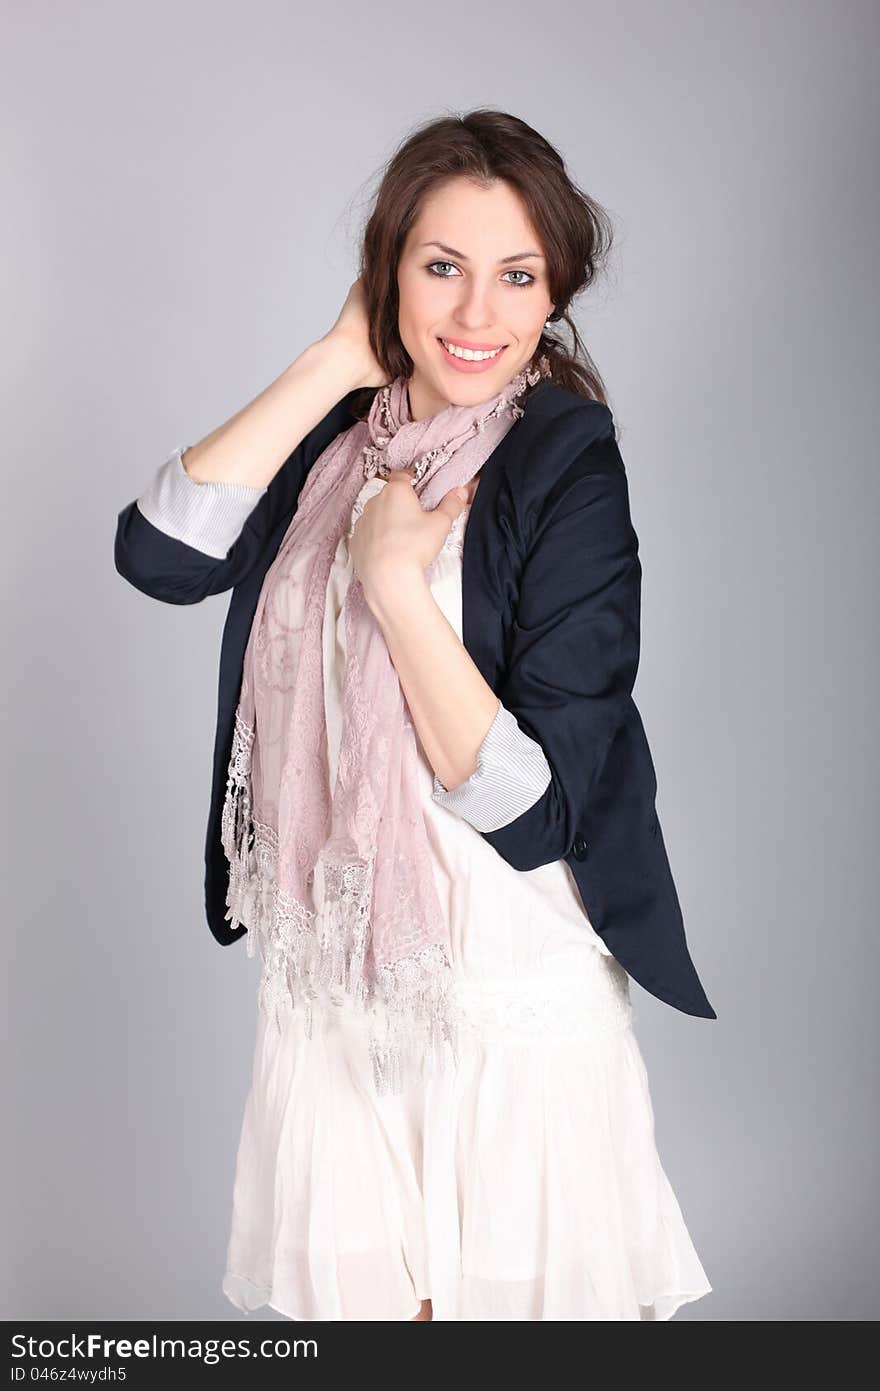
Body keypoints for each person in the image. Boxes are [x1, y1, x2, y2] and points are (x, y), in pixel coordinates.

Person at [116, 109, 715, 1321]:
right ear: (387, 270)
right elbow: (159, 555)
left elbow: (538, 810)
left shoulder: (566, 463)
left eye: (517, 276)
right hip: (336, 980)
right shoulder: (354, 432)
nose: (475, 316)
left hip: (493, 979)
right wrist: (334, 361)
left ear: (555, 294)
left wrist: (395, 588)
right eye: (440, 266)